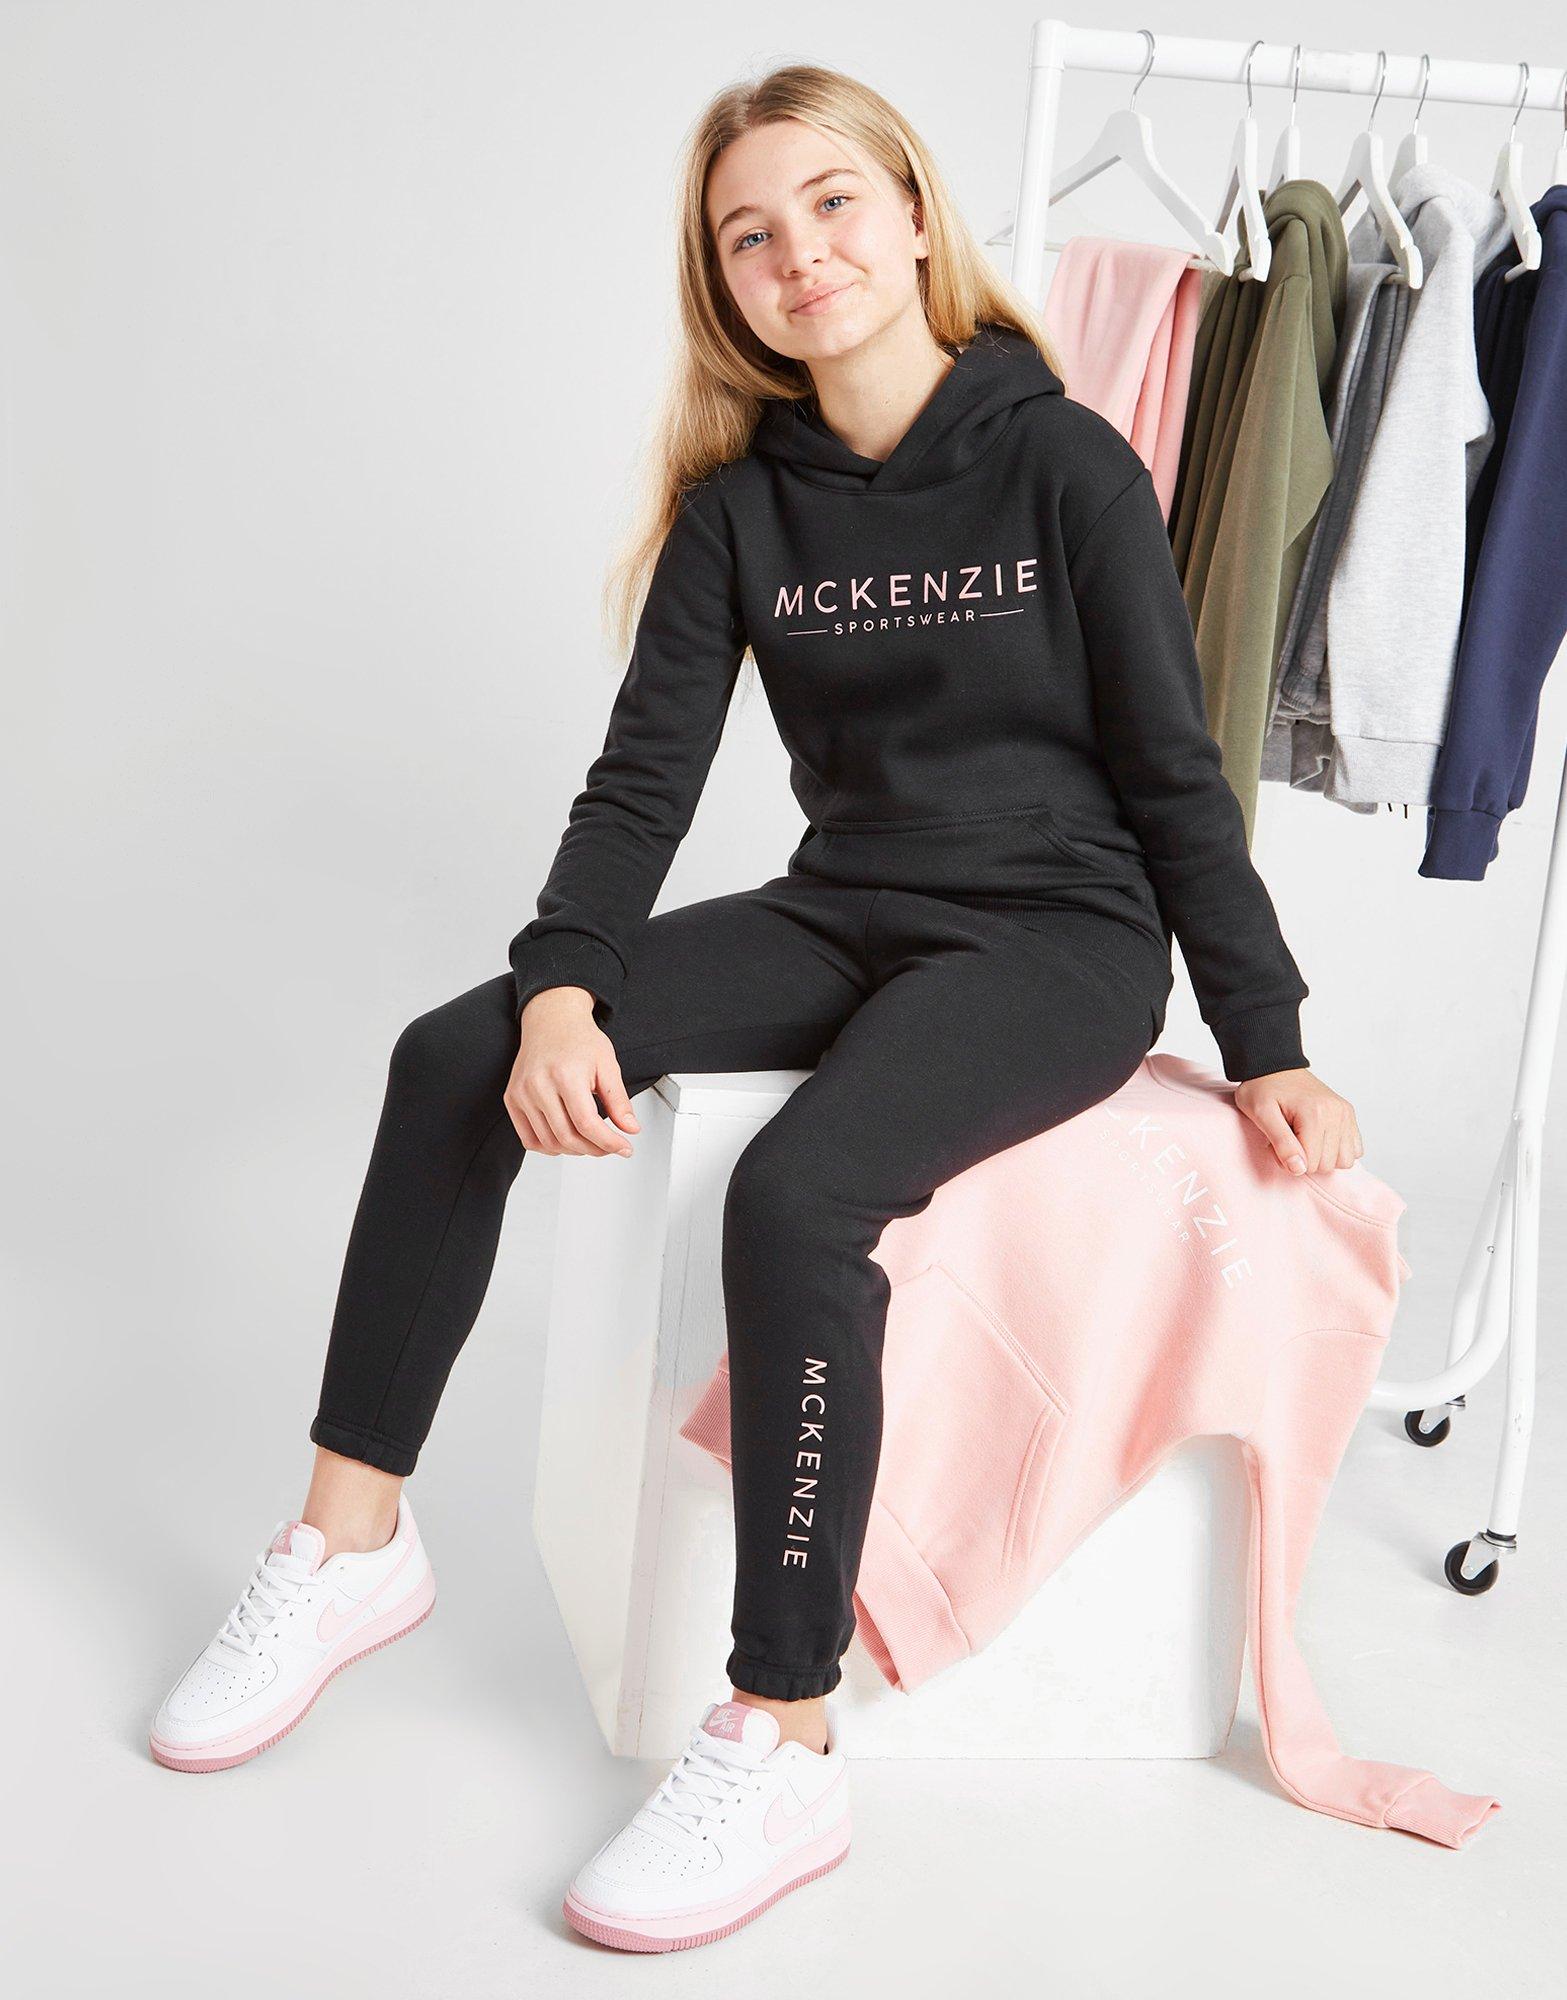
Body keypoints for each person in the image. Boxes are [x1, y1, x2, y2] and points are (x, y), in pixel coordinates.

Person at [149, 62, 1363, 1951]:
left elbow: (1173, 770)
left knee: (797, 1197)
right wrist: (565, 984)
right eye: (749, 234)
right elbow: (641, 781)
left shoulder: (1067, 463)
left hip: (1057, 934)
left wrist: (1266, 1035)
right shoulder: (738, 510)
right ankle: (347, 1542)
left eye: (832, 204)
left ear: (914, 213)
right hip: (848, 901)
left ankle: (784, 1734)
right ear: (722, 283)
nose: (800, 253)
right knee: (453, 1054)